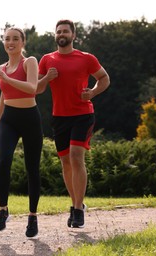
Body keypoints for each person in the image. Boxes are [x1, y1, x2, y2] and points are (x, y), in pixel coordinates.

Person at [37, 19, 110, 228]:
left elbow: (104, 78)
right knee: (66, 163)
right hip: (59, 117)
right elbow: (38, 89)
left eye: (65, 31)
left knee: (77, 157)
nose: (61, 34)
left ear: (73, 35)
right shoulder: (47, 59)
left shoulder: (86, 58)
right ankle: (76, 204)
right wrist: (46, 78)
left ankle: (78, 211)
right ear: (55, 35)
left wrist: (93, 92)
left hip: (82, 114)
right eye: (58, 31)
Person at [0, 27, 43, 237]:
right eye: (7, 39)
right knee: (4, 161)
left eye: (15, 39)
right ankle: (3, 210)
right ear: (3, 42)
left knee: (32, 168)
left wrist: (5, 77)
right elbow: (5, 93)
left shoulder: (29, 61)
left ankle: (32, 217)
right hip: (9, 120)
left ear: (23, 42)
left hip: (30, 118)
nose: (10, 42)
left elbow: (32, 88)